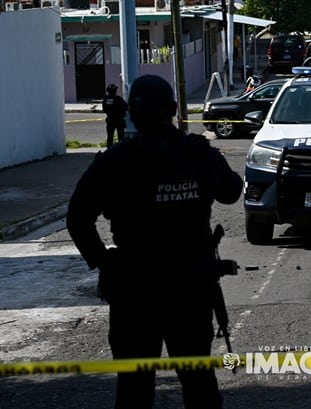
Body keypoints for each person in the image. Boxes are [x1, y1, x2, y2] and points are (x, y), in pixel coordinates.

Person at [67, 74, 242, 409]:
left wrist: (105, 262)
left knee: (134, 389)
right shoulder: (199, 154)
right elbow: (232, 192)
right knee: (199, 386)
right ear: (175, 109)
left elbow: (77, 218)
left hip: (134, 292)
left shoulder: (115, 161)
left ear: (130, 114)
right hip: (190, 290)